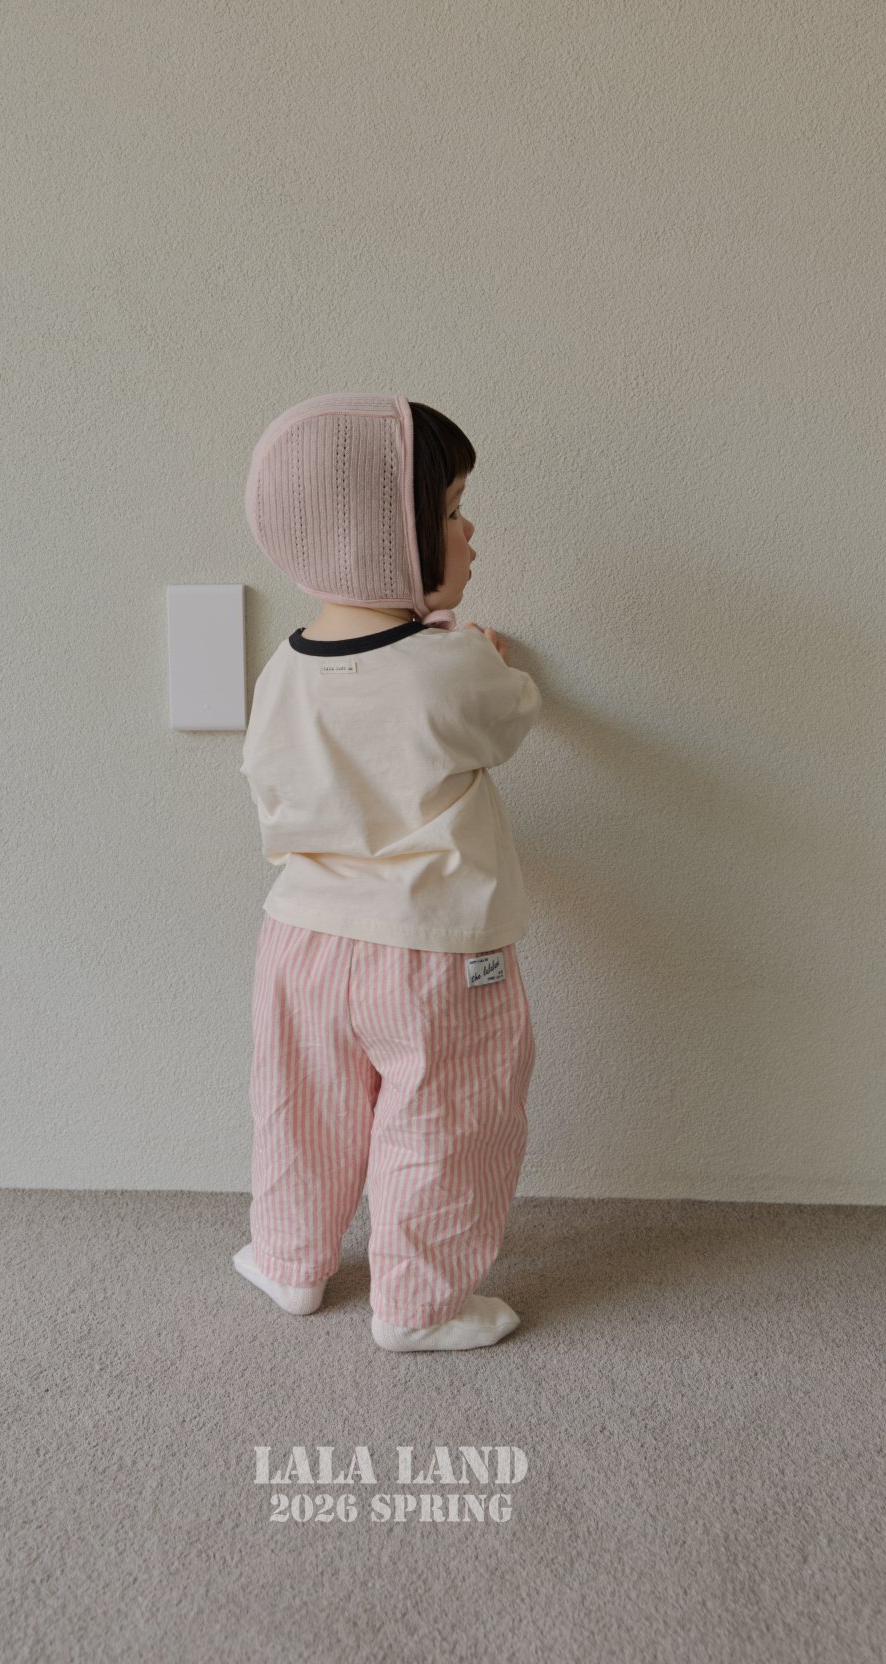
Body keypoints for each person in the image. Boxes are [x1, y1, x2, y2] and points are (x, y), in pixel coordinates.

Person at [234, 392, 542, 1351]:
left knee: (302, 1109)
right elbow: (512, 717)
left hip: (300, 939)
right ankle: (419, 1305)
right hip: (432, 949)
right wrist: (485, 654)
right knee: (447, 1119)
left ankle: (289, 1261)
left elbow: (272, 786)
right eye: (452, 512)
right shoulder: (451, 667)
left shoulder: (281, 670)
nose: (470, 530)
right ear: (390, 544)